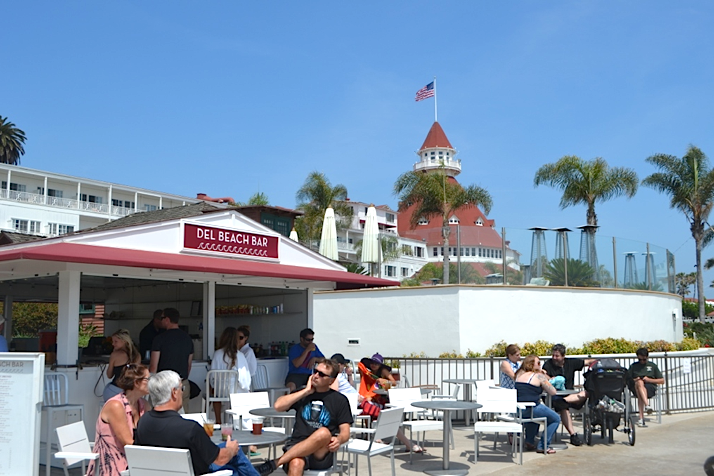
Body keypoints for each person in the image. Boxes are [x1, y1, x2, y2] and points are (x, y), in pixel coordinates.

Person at [135, 370, 261, 476]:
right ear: (174, 393)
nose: (182, 392)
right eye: (181, 388)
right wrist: (231, 450)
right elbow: (220, 459)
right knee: (235, 460)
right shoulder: (190, 429)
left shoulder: (143, 423)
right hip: (197, 472)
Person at [255, 358, 352, 476]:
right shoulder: (303, 393)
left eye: (321, 374)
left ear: (331, 381)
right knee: (296, 463)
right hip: (297, 444)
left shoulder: (339, 400)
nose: (316, 376)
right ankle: (277, 462)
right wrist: (306, 391)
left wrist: (339, 439)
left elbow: (345, 432)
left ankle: (276, 462)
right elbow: (278, 406)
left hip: (320, 452)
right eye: (315, 371)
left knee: (324, 433)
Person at [87, 364, 150, 476]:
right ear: (136, 382)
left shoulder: (143, 405)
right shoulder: (115, 406)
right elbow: (128, 443)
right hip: (112, 466)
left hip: (133, 463)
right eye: (148, 379)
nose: (151, 382)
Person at [357, 353, 424, 453]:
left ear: (380, 365)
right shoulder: (368, 372)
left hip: (383, 398)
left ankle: (374, 434)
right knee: (369, 407)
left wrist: (384, 381)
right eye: (372, 363)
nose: (373, 365)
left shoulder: (383, 371)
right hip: (372, 398)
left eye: (376, 364)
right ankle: (371, 433)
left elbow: (393, 383)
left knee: (371, 407)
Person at [542, 343, 594, 446]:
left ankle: (565, 401)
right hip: (554, 396)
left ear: (563, 356)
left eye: (557, 356)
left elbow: (587, 362)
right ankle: (573, 435)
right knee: (563, 407)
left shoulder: (571, 363)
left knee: (586, 393)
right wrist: (549, 378)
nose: (554, 358)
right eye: (553, 355)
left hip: (569, 396)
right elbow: (543, 374)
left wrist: (600, 363)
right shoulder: (548, 364)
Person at [514, 354, 561, 454]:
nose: (540, 365)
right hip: (532, 407)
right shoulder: (539, 376)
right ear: (532, 365)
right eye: (538, 363)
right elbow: (553, 392)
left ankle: (529, 441)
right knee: (555, 419)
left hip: (518, 409)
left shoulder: (519, 375)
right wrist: (543, 376)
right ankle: (543, 446)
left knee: (534, 418)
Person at [149, 308, 193, 412]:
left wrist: (150, 384)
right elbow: (189, 365)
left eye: (162, 318)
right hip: (182, 383)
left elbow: (153, 367)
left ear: (167, 319)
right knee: (183, 416)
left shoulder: (159, 339)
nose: (161, 320)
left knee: (160, 416)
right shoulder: (188, 339)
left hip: (163, 385)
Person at [211, 327, 252, 424]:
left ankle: (218, 421)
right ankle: (237, 423)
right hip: (234, 393)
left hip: (219, 392)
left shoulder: (217, 354)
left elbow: (212, 378)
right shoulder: (240, 355)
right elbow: (244, 381)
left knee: (214, 392)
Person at [627, 347, 665, 427]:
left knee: (640, 388)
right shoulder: (634, 366)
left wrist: (649, 380)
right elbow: (627, 379)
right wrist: (635, 380)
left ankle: (641, 418)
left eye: (644, 360)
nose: (642, 362)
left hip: (649, 387)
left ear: (647, 357)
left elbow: (662, 381)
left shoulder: (652, 366)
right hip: (636, 387)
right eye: (640, 360)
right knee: (639, 383)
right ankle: (647, 405)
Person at [103, 329, 141, 402]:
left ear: (124, 341)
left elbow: (109, 375)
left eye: (116, 341)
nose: (113, 344)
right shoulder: (137, 356)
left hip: (115, 390)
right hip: (131, 391)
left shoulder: (115, 355)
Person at [285, 328, 324, 392]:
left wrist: (315, 359)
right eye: (308, 340)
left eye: (312, 339)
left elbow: (323, 359)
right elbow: (297, 364)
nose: (310, 342)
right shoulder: (294, 349)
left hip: (308, 375)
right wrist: (307, 350)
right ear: (302, 339)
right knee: (291, 387)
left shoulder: (314, 347)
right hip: (295, 374)